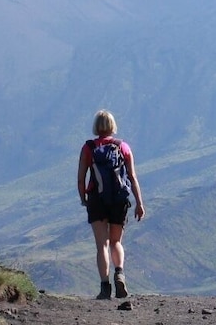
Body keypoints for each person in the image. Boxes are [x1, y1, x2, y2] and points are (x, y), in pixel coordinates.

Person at [78, 109, 146, 300]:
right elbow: (132, 177)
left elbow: (81, 178)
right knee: (116, 242)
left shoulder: (88, 148)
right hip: (119, 199)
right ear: (112, 126)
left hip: (97, 200)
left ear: (96, 126)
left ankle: (105, 287)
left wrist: (84, 198)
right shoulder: (123, 147)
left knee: (102, 245)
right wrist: (139, 203)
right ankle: (120, 274)